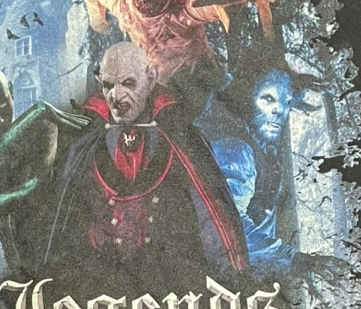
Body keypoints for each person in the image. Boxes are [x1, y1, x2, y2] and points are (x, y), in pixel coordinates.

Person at [43, 41, 248, 293]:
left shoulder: (179, 133)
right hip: (101, 288)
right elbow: (64, 219)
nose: (116, 97)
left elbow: (211, 211)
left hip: (170, 287)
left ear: (150, 78)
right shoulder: (85, 138)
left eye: (128, 83)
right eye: (108, 86)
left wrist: (231, 279)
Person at [84, 0, 277, 118]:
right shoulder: (121, 0)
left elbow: (202, 4)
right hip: (163, 85)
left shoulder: (182, 7)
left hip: (201, 79)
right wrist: (98, 22)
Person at [206, 66, 349, 288]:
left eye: (286, 102)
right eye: (268, 99)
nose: (279, 110)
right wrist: (294, 259)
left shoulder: (255, 143)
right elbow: (228, 224)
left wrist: (296, 88)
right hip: (225, 280)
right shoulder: (236, 150)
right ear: (245, 99)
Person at [0, 65, 87, 275]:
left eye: (1, 104)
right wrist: (37, 112)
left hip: (58, 255)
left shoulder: (43, 127)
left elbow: (33, 189)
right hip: (16, 266)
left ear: (11, 91)